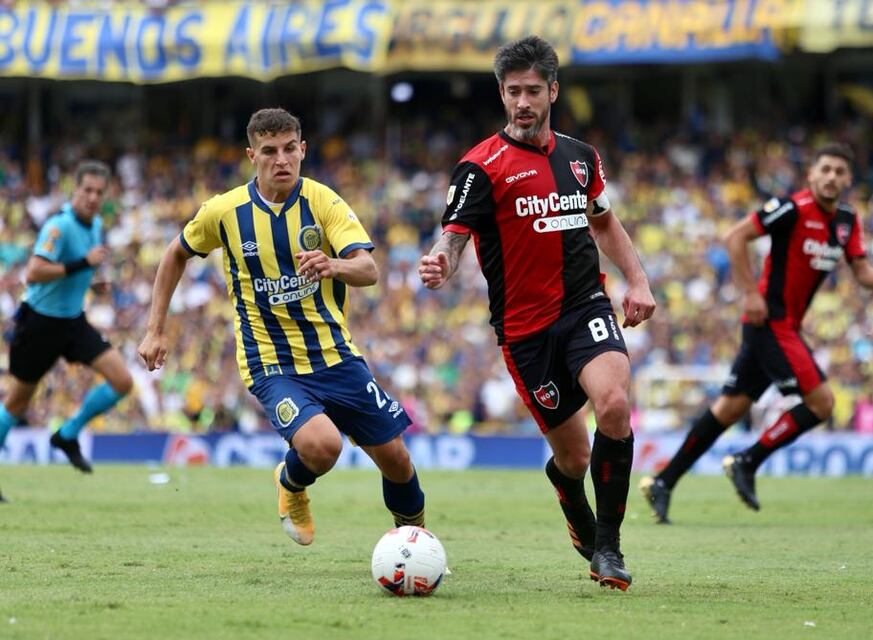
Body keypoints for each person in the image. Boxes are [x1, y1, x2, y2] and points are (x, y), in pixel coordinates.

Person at [418, 36, 655, 590]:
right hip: (525, 332)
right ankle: (570, 494)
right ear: (501, 94)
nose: (523, 102)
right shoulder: (479, 168)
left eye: (532, 91)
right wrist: (440, 262)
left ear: (552, 90)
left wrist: (637, 280)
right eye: (512, 92)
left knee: (615, 405)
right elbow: (454, 237)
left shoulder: (581, 157)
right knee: (573, 457)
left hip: (584, 306)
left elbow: (603, 221)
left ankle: (610, 549)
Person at [137, 108, 425, 546]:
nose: (281, 160)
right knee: (324, 447)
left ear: (303, 150)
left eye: (290, 149)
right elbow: (175, 254)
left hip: (335, 354)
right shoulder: (225, 212)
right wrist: (155, 328)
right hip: (271, 362)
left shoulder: (324, 201)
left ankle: (415, 545)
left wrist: (333, 264)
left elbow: (369, 270)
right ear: (251, 155)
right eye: (269, 151)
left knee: (397, 460)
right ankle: (291, 484)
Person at [639, 143, 873, 523]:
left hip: (785, 326)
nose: (831, 177)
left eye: (839, 171)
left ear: (848, 179)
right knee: (822, 403)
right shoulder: (790, 208)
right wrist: (749, 293)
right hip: (769, 322)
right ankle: (748, 460)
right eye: (824, 168)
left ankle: (663, 482)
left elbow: (861, 271)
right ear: (811, 174)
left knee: (728, 410)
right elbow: (735, 237)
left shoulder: (847, 221)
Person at [0, 161, 133, 485]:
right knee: (18, 401)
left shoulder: (97, 224)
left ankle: (67, 434)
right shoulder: (58, 227)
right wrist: (82, 265)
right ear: (75, 190)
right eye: (86, 190)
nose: (92, 197)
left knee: (123, 381)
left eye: (99, 192)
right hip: (39, 325)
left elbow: (72, 273)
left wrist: (91, 284)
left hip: (73, 323)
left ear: (105, 195)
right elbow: (34, 272)